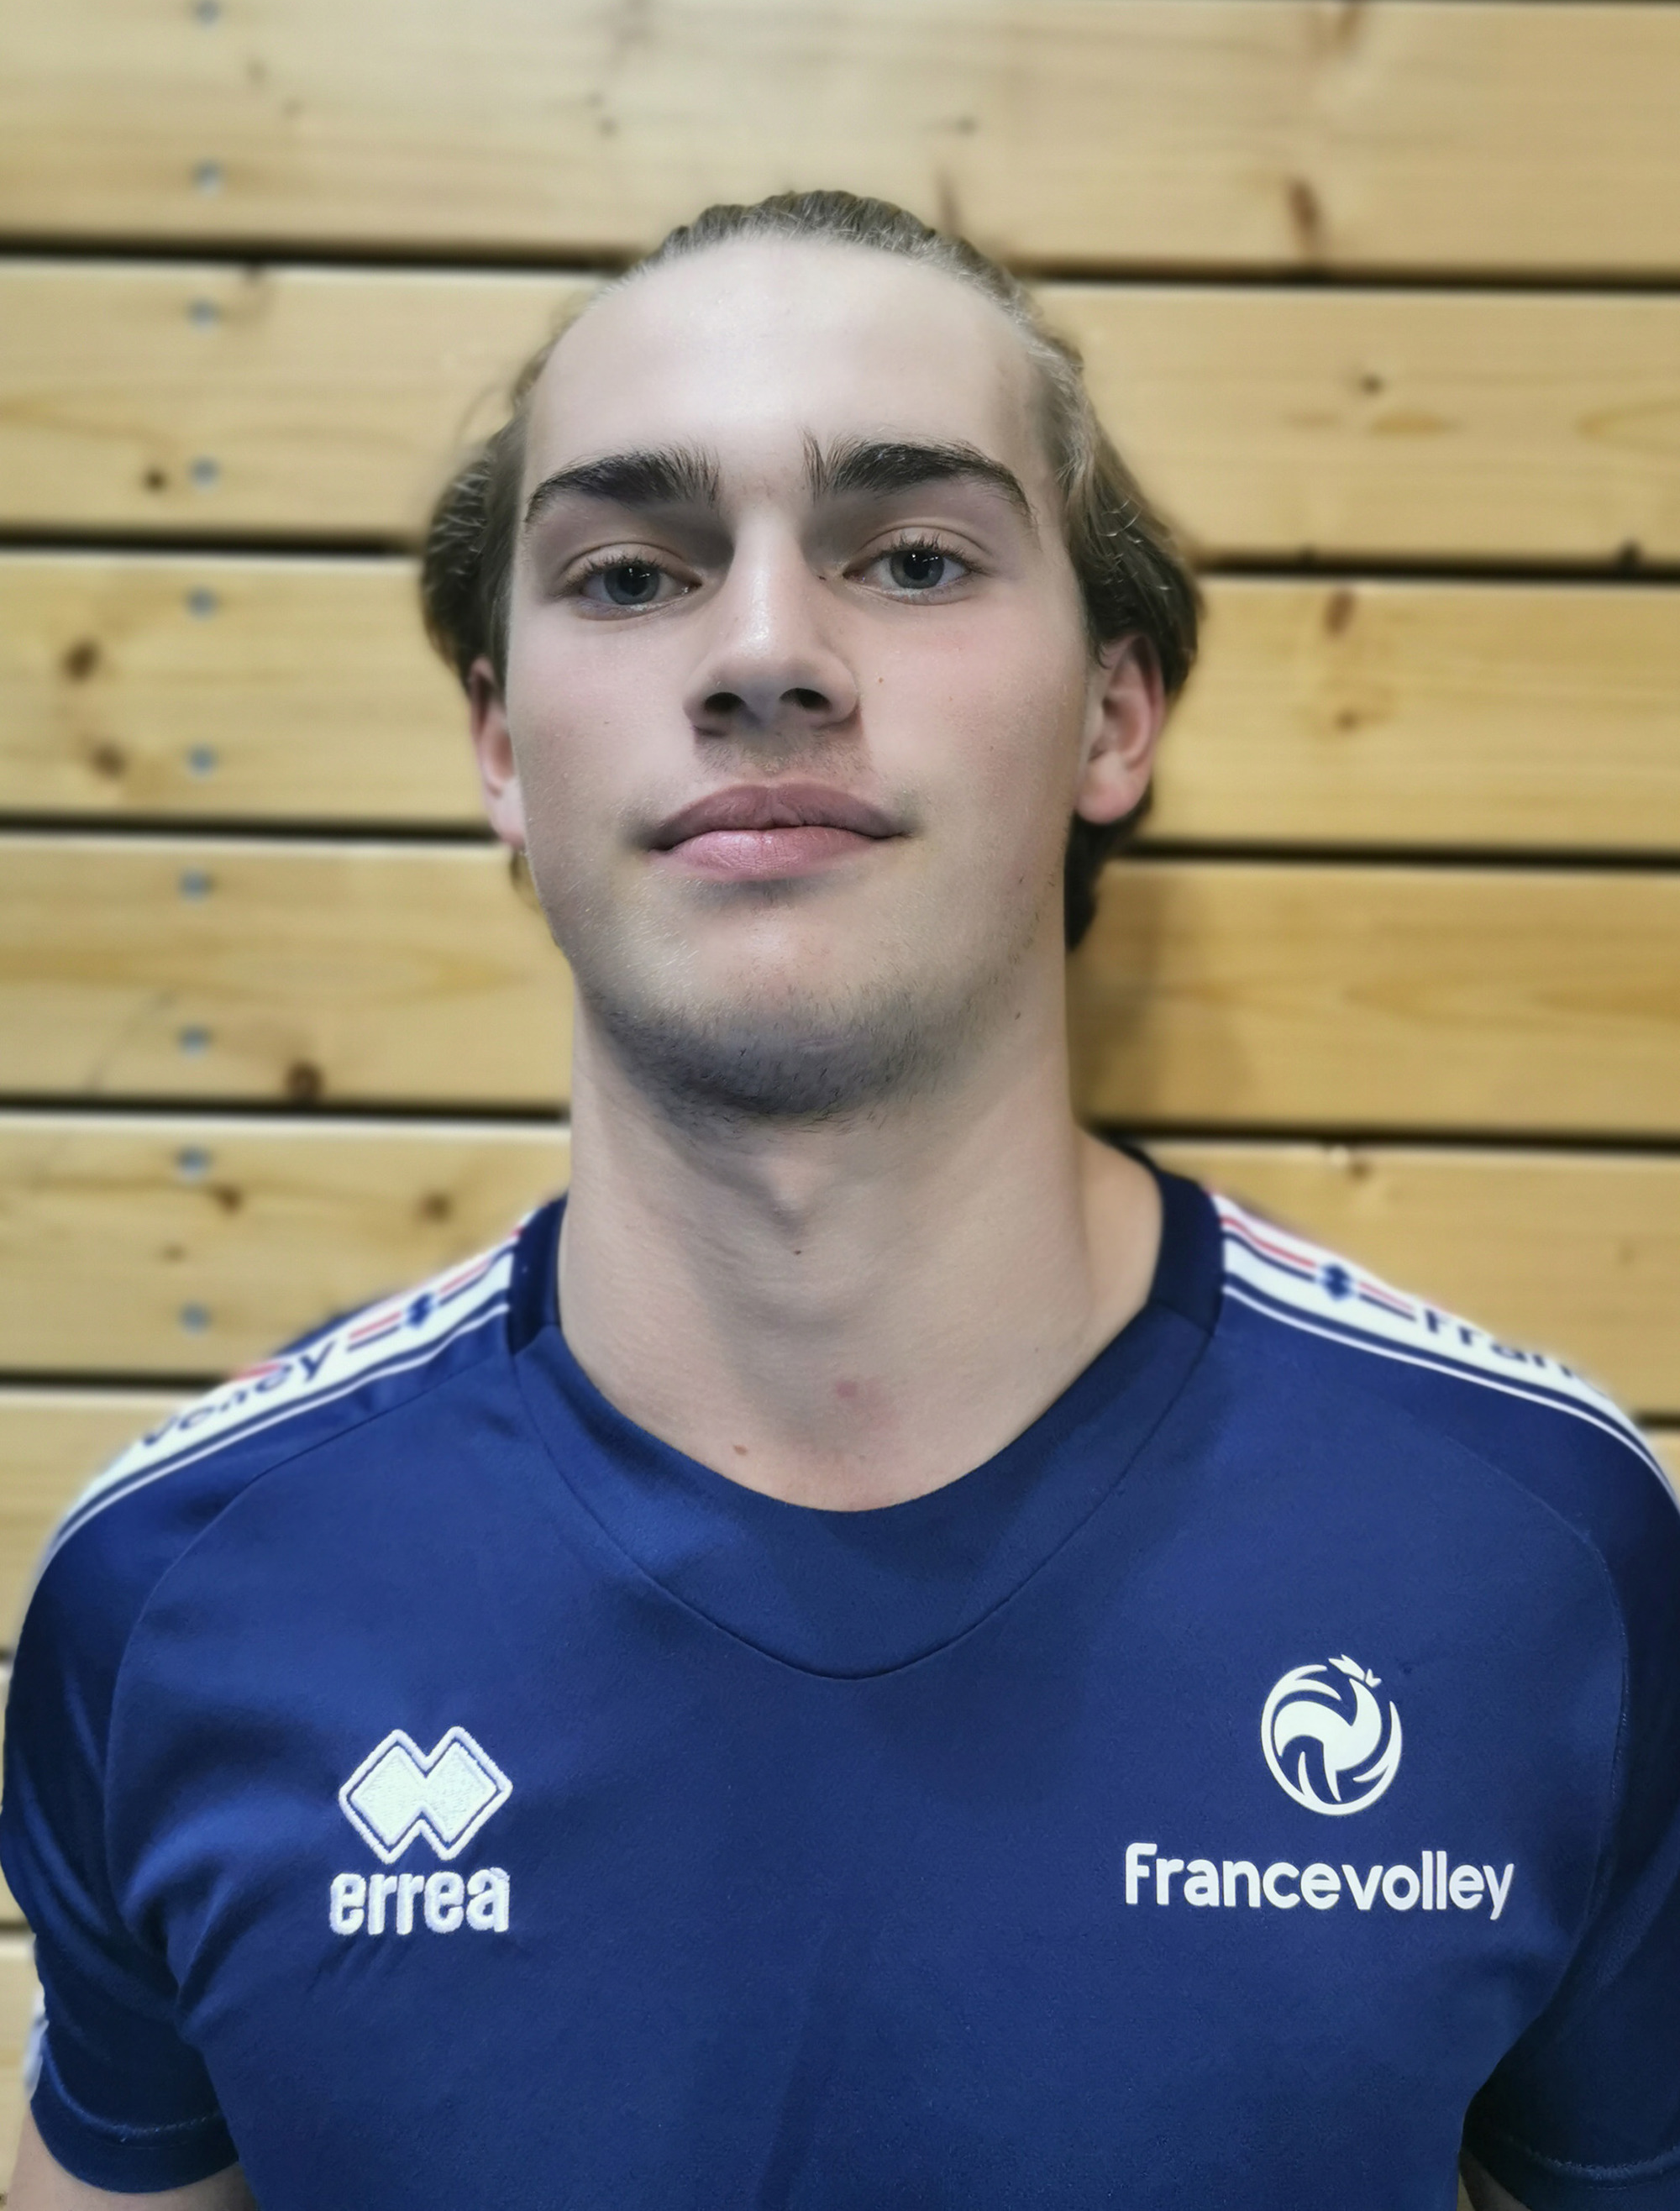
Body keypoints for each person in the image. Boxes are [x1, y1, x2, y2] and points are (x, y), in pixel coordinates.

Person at [3, 191, 1677, 2211]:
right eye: (632, 574)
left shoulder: (1536, 1552)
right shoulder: (183, 1587)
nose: (766, 652)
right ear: (500, 745)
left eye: (912, 557)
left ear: (1112, 713)